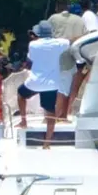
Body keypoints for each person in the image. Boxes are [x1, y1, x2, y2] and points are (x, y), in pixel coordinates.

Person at [26, 21, 70, 149]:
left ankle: (23, 121)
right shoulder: (60, 43)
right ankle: (47, 142)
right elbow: (69, 41)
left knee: (21, 94)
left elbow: (31, 58)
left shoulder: (33, 45)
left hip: (36, 82)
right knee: (50, 112)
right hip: (52, 83)